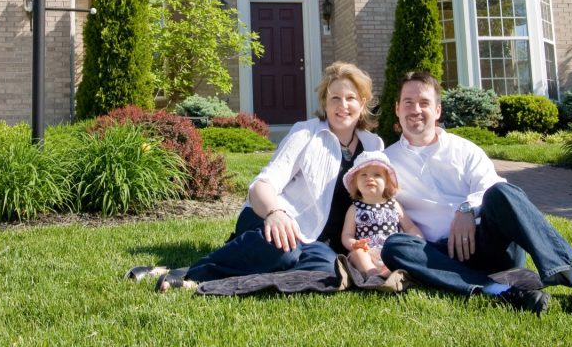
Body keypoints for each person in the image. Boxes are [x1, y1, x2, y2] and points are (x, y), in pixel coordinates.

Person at [126, 61, 384, 292]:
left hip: (319, 243)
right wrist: (275, 213)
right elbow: (262, 184)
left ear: (362, 103)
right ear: (325, 103)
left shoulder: (373, 145)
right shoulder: (306, 134)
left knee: (327, 270)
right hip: (274, 220)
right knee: (285, 252)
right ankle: (192, 273)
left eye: (350, 98)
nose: (342, 105)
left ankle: (239, 269)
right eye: (334, 98)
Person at [381, 71, 572, 320]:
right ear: (397, 109)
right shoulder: (386, 162)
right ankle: (502, 291)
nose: (416, 109)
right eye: (408, 102)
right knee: (394, 246)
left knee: (502, 192)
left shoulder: (465, 150)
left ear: (437, 110)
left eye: (424, 103)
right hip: (439, 256)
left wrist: (467, 209)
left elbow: (491, 185)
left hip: (488, 245)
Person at [340, 150, 422, 278]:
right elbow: (347, 234)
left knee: (402, 252)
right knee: (358, 253)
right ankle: (372, 274)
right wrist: (354, 243)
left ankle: (389, 273)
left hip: (390, 252)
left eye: (377, 175)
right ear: (355, 183)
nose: (370, 178)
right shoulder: (355, 208)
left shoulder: (393, 205)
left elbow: (410, 227)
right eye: (363, 175)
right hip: (367, 253)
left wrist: (419, 241)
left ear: (387, 182)